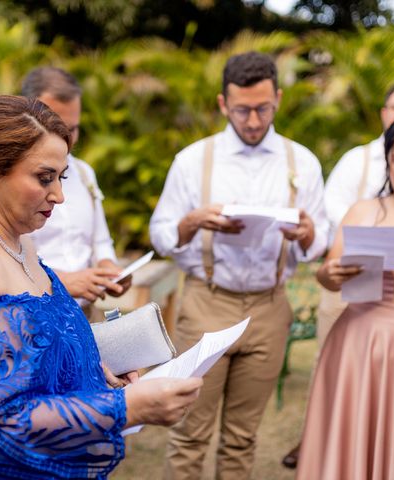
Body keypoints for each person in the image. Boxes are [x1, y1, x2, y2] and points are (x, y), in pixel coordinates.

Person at [0, 95, 203, 479]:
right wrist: (127, 408)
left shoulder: (16, 239)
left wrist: (95, 370)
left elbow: (25, 351)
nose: (59, 196)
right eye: (44, 178)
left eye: (61, 177)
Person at [149, 51, 328, 480]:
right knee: (191, 432)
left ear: (278, 100)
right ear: (223, 104)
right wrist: (193, 222)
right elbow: (160, 233)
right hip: (208, 302)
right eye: (243, 109)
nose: (252, 120)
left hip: (270, 307)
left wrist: (304, 233)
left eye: (263, 108)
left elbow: (319, 239)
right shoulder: (194, 160)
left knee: (243, 436)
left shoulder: (301, 161)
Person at [281, 79, 394, 469]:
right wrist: (333, 273)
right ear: (388, 160)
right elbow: (327, 277)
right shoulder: (363, 211)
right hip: (363, 341)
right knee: (357, 444)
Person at [0, 67, 130, 312]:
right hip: (26, 313)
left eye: (73, 129)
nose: (66, 139)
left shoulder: (84, 173)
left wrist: (107, 267)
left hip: (81, 312)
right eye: (44, 178)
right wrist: (60, 281)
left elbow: (100, 240)